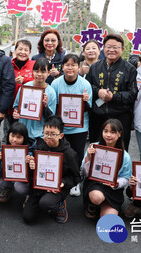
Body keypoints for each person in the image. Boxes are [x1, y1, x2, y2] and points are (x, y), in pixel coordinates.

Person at [23, 116, 80, 224]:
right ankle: (43, 203)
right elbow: (35, 172)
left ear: (61, 135)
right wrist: (31, 165)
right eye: (46, 133)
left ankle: (60, 204)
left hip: (58, 188)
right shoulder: (40, 147)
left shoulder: (69, 154)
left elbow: (76, 177)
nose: (49, 137)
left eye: (53, 134)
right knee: (28, 218)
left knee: (45, 204)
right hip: (40, 186)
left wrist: (63, 183)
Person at [87, 34, 138, 151]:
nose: (111, 50)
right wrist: (98, 91)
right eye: (108, 47)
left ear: (123, 49)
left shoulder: (130, 69)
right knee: (96, 149)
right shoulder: (95, 67)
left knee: (119, 151)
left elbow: (132, 93)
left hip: (121, 117)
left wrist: (113, 97)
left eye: (116, 47)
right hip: (98, 116)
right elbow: (87, 87)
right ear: (103, 48)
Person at [51, 54, 92, 196]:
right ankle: (60, 178)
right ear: (62, 67)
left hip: (79, 127)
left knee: (77, 154)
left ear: (78, 67)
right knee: (60, 154)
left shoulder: (85, 85)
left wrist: (85, 102)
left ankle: (75, 181)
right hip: (62, 127)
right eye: (67, 65)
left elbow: (88, 108)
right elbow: (54, 106)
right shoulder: (56, 83)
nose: (70, 67)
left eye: (73, 65)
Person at [82, 119, 132, 219]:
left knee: (108, 220)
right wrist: (88, 157)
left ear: (119, 134)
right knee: (97, 197)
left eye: (112, 132)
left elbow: (126, 178)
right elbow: (85, 173)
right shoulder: (93, 147)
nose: (108, 135)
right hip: (95, 184)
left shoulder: (125, 156)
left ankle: (104, 206)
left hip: (112, 189)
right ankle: (92, 205)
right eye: (106, 131)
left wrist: (116, 183)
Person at [13, 58, 57, 140]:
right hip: (23, 132)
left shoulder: (51, 92)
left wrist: (45, 106)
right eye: (37, 71)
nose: (39, 74)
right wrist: (16, 113)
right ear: (32, 72)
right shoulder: (25, 87)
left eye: (43, 72)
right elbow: (16, 106)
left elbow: (51, 118)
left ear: (48, 73)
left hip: (40, 134)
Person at [0, 122, 35, 203]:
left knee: (19, 187)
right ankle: (8, 190)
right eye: (12, 136)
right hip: (10, 179)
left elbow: (32, 177)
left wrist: (29, 165)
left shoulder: (29, 153)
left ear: (24, 138)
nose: (14, 139)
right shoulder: (3, 151)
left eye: (19, 137)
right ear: (8, 136)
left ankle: (29, 195)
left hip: (22, 183)